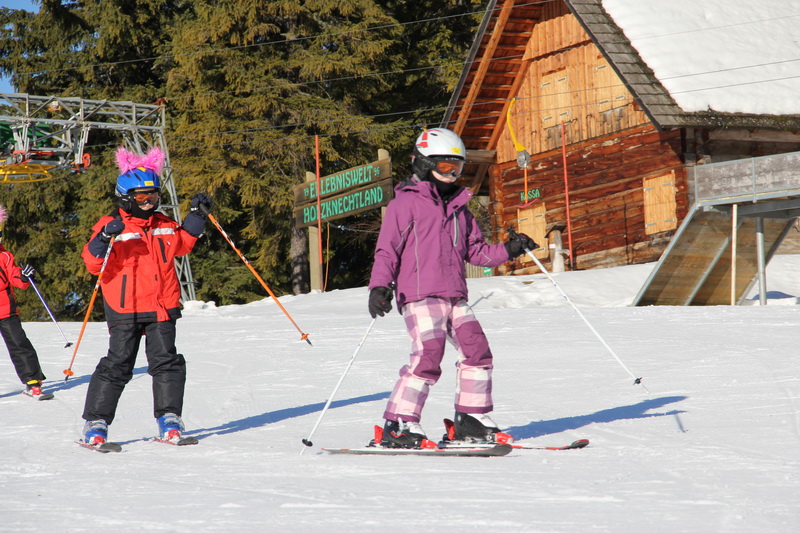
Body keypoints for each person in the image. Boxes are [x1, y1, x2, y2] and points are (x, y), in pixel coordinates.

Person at [368, 127, 537, 448]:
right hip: (419, 294)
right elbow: (387, 250)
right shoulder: (406, 204)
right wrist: (379, 287)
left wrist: (510, 249)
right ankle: (399, 424)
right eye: (445, 166)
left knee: (477, 350)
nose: (451, 174)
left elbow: (477, 253)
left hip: (455, 295)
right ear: (423, 163)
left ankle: (471, 419)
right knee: (428, 355)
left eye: (457, 168)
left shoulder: (461, 209)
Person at [80, 145, 212, 446]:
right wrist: (104, 238)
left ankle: (169, 419)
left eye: (153, 196)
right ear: (126, 197)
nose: (149, 202)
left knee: (167, 362)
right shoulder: (111, 225)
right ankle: (96, 423)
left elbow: (182, 244)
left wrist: (196, 218)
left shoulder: (163, 224)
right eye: (142, 197)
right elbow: (92, 264)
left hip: (162, 305)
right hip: (125, 306)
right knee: (118, 364)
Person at [0, 211, 50, 400]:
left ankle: (33, 383)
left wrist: (24, 275)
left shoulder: (4, 256)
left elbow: (14, 276)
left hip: (6, 311)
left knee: (19, 344)